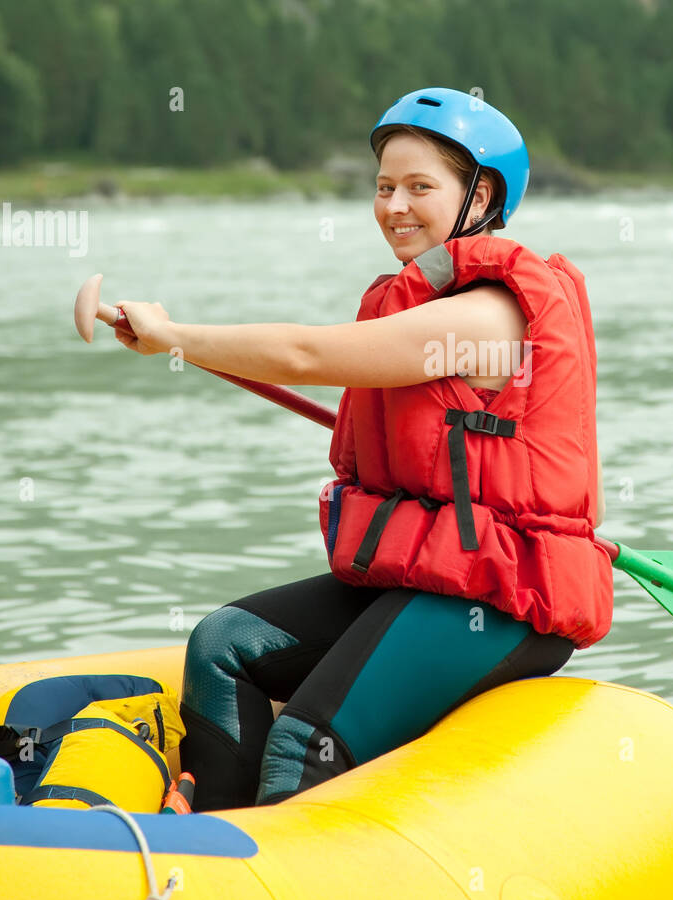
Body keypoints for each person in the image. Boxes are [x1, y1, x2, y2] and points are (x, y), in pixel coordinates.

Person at [112, 88, 613, 811]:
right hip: (435, 577)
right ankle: (207, 841)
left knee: (304, 740)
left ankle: (269, 885)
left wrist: (175, 336)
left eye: (419, 187)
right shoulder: (425, 305)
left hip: (497, 600)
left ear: (480, 199)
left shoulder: (484, 314)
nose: (394, 206)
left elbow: (304, 351)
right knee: (222, 645)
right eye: (383, 187)